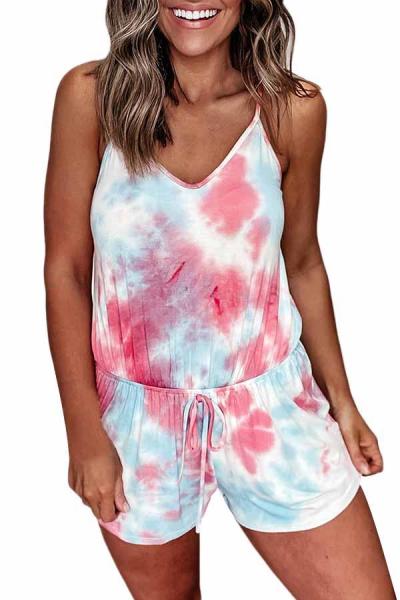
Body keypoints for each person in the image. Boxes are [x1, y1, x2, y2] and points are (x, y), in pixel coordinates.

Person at [43, 1, 396, 598]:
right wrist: (82, 429)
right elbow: (66, 271)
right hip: (138, 425)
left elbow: (302, 261)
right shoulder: (92, 98)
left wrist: (343, 401)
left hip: (271, 409)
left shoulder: (292, 109)